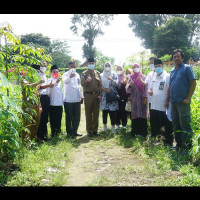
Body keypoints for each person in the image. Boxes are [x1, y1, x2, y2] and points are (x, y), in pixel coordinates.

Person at [165, 49, 196, 152]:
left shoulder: (187, 68)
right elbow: (170, 85)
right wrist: (167, 99)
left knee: (185, 124)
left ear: (182, 58)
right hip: (174, 102)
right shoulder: (173, 70)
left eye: (178, 56)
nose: (176, 58)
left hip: (183, 102)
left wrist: (188, 98)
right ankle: (179, 145)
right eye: (174, 57)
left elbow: (193, 83)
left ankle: (187, 147)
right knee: (176, 124)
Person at [148, 59, 173, 146]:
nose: (157, 68)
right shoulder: (154, 76)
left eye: (159, 66)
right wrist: (149, 91)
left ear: (162, 66)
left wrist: (167, 100)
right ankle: (158, 138)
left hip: (163, 104)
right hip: (154, 104)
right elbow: (150, 87)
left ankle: (168, 141)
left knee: (166, 123)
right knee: (156, 122)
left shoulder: (167, 76)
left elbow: (169, 89)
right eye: (155, 67)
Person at [81, 58, 102, 137]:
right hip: (88, 95)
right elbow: (82, 84)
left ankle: (95, 130)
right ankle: (89, 130)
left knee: (96, 114)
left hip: (96, 95)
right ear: (87, 64)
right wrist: (87, 81)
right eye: (90, 63)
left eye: (92, 63)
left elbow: (100, 84)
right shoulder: (84, 73)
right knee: (88, 113)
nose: (91, 64)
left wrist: (100, 94)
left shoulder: (97, 73)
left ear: (94, 64)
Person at [21, 64, 42, 143]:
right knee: (27, 125)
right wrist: (37, 83)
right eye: (36, 71)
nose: (37, 73)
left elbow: (37, 95)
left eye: (38, 72)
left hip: (36, 107)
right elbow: (26, 87)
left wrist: (40, 106)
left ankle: (33, 142)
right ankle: (25, 143)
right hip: (28, 106)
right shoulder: (25, 78)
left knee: (35, 124)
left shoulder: (35, 79)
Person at [126, 63, 148, 137]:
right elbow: (127, 89)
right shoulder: (131, 78)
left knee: (142, 115)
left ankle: (143, 132)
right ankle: (135, 131)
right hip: (134, 100)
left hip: (142, 99)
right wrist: (130, 85)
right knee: (135, 115)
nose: (136, 68)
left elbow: (146, 87)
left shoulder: (143, 77)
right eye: (134, 67)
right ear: (132, 69)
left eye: (137, 67)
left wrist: (145, 97)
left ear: (139, 67)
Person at [62, 61, 83, 138]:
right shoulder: (65, 74)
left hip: (77, 99)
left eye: (74, 67)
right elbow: (65, 81)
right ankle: (69, 132)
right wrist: (70, 76)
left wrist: (81, 96)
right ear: (69, 67)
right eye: (71, 67)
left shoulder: (77, 75)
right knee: (69, 117)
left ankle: (75, 131)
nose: (73, 68)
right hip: (68, 100)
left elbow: (79, 86)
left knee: (76, 116)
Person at [37, 61, 54, 142]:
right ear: (39, 66)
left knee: (45, 118)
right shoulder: (37, 75)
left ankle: (45, 135)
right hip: (41, 97)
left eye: (45, 65)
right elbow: (39, 87)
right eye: (42, 65)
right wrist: (48, 85)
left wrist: (49, 85)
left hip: (46, 97)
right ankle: (40, 136)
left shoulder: (44, 75)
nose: (44, 67)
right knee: (41, 117)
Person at [100, 62, 119, 133]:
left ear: (111, 66)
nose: (107, 67)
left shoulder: (114, 74)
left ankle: (113, 127)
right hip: (104, 95)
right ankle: (105, 126)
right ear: (104, 66)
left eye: (109, 65)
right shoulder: (101, 75)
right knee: (104, 112)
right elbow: (99, 85)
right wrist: (103, 89)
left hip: (112, 95)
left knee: (112, 112)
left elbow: (116, 84)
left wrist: (111, 79)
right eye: (106, 65)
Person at [48, 65, 63, 138]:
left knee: (59, 118)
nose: (56, 73)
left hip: (59, 103)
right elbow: (50, 88)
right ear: (51, 73)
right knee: (53, 119)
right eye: (54, 72)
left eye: (57, 72)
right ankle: (53, 133)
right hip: (52, 103)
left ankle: (58, 131)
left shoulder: (59, 81)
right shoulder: (49, 80)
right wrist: (56, 82)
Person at [115, 65, 128, 129]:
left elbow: (128, 88)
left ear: (123, 70)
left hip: (124, 96)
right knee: (117, 110)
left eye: (120, 69)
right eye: (118, 69)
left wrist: (124, 84)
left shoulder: (125, 78)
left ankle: (124, 124)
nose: (119, 71)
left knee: (124, 111)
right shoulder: (115, 77)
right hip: (117, 97)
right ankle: (117, 123)